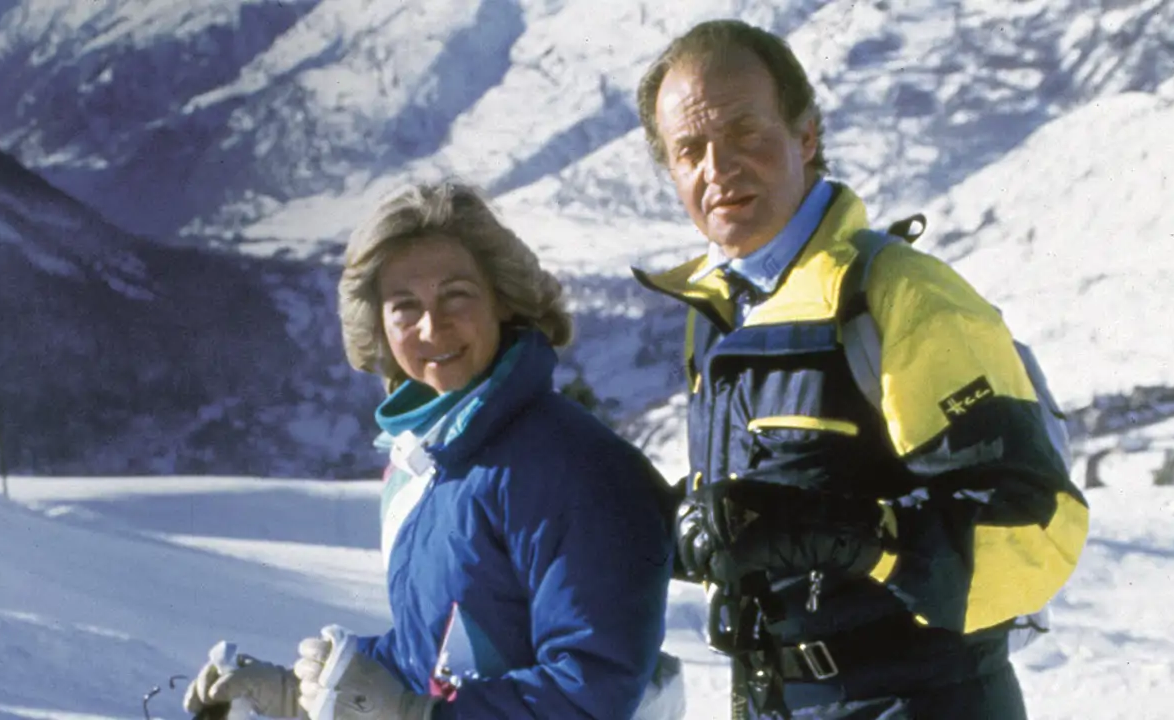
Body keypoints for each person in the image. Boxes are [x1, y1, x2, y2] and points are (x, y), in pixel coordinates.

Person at [630, 18, 1090, 719]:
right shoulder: (724, 311)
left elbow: (1033, 533)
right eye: (689, 150)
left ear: (806, 136)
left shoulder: (897, 297)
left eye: (744, 132)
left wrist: (850, 534)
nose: (717, 169)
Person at [182, 181, 683, 719]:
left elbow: (593, 688)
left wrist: (411, 713)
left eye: (456, 295)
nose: (431, 326)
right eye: (404, 306)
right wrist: (306, 695)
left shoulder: (571, 467)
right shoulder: (433, 460)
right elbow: (438, 656)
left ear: (503, 300)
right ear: (379, 326)